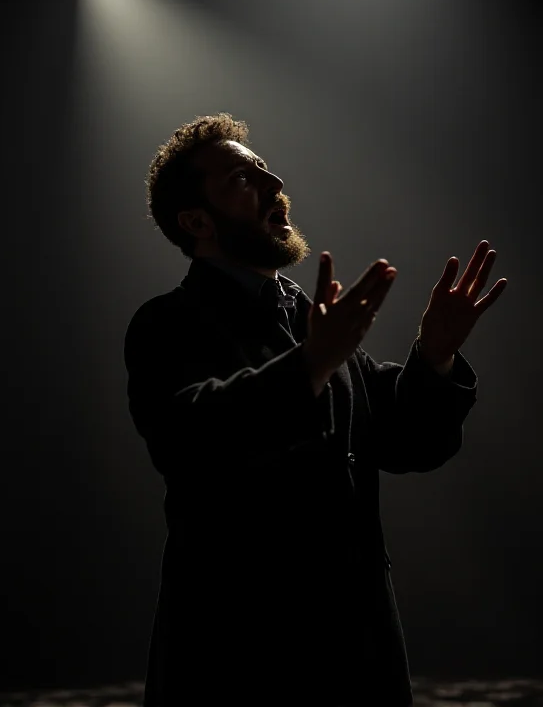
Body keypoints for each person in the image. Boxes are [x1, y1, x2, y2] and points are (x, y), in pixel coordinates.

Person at [124, 113, 507, 707]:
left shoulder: (310, 320)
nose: (275, 184)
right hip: (239, 661)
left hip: (357, 657)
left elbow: (410, 443)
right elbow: (188, 435)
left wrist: (435, 356)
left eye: (265, 171)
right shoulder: (167, 323)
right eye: (241, 180)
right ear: (197, 221)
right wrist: (310, 366)